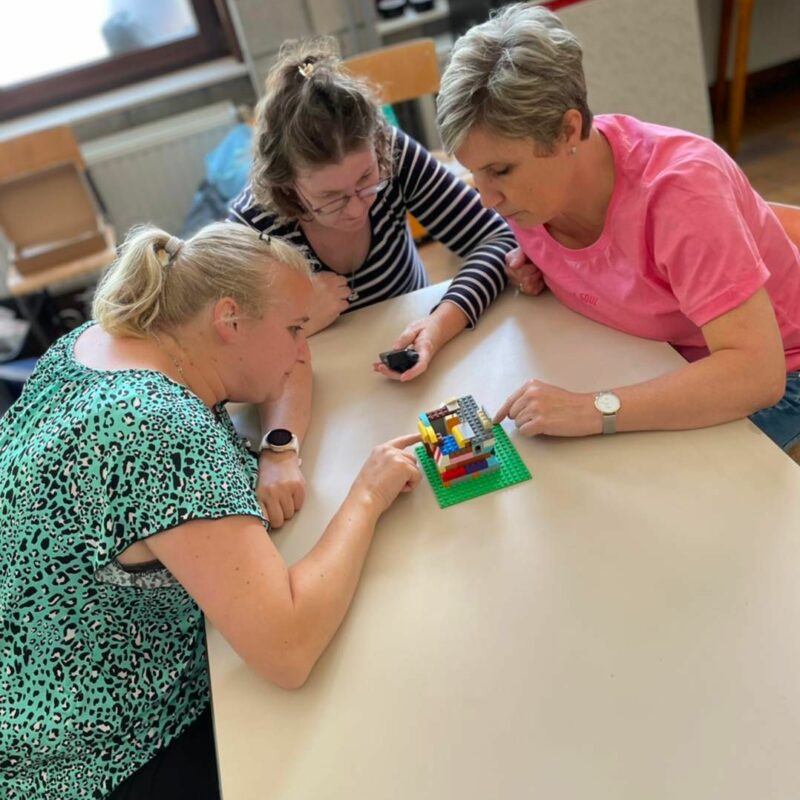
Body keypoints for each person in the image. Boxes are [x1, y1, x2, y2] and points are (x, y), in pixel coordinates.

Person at [0, 222, 421, 800]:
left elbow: (286, 370)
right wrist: (367, 495)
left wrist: (279, 447)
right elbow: (288, 648)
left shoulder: (105, 340)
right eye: (294, 330)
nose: (303, 348)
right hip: (90, 754)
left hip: (25, 679)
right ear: (229, 320)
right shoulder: (156, 428)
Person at [435, 3, 800, 457]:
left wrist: (591, 409)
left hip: (778, 374)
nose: (487, 200)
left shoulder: (682, 195)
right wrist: (540, 267)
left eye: (501, 171)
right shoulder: (535, 195)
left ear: (567, 131)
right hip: (661, 359)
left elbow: (757, 375)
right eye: (475, 174)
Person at [228, 37, 516, 528]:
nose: (358, 206)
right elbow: (236, 356)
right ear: (288, 187)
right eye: (331, 198)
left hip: (417, 366)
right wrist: (299, 320)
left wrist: (439, 322)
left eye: (366, 182)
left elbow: (496, 237)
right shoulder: (253, 224)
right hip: (324, 402)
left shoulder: (390, 153)